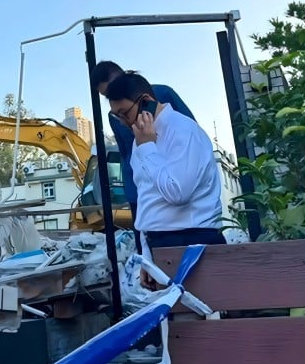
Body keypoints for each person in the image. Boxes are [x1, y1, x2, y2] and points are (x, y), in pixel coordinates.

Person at [103, 71, 225, 289]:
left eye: (124, 114)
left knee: (191, 321)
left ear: (146, 102)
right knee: (172, 322)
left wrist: (148, 147)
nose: (122, 123)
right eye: (116, 116)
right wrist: (147, 256)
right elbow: (146, 200)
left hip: (191, 242)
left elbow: (178, 193)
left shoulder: (183, 131)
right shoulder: (140, 138)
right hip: (159, 244)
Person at [91, 61, 196, 234]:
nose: (124, 120)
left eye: (125, 113)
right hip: (139, 191)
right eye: (106, 95)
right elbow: (125, 152)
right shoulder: (115, 116)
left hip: (173, 182)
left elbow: (190, 129)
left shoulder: (163, 93)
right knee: (145, 239)